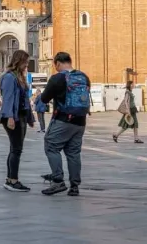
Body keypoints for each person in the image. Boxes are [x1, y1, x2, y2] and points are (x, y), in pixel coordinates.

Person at [40, 52, 91, 197]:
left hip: (63, 119)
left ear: (57, 63)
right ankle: (74, 186)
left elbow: (44, 99)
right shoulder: (84, 77)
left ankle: (58, 180)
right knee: (74, 153)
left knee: (51, 146)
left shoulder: (58, 78)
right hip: (80, 121)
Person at [0, 50, 34, 193]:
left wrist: (30, 118)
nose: (27, 64)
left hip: (20, 116)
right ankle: (13, 180)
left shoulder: (19, 76)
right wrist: (10, 117)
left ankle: (10, 179)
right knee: (16, 149)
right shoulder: (9, 77)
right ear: (18, 61)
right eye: (25, 62)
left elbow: (24, 99)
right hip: (13, 116)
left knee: (14, 149)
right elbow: (8, 98)